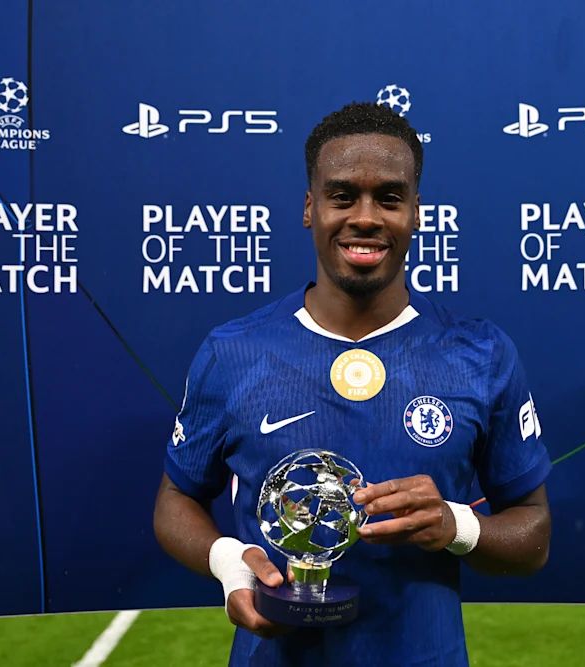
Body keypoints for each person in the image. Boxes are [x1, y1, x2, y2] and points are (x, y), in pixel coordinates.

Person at [154, 102, 552, 666]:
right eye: (342, 196)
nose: (365, 217)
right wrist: (228, 562)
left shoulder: (481, 355)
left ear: (416, 212)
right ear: (309, 208)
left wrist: (457, 524)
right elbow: (176, 499)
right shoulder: (233, 353)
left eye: (389, 198)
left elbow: (533, 533)